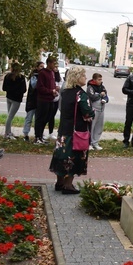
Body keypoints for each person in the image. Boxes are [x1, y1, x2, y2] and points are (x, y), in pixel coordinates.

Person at [49, 66, 93, 194]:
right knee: (73, 157)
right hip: (76, 132)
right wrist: (92, 114)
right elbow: (87, 114)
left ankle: (60, 183)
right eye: (83, 75)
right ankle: (68, 186)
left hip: (63, 130)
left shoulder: (65, 92)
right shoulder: (81, 94)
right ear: (77, 78)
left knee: (61, 156)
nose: (86, 78)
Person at [34, 56, 59, 145]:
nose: (54, 65)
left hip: (50, 99)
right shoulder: (42, 73)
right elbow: (40, 87)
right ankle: (37, 137)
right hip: (43, 100)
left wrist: (55, 89)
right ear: (49, 63)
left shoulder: (52, 73)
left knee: (47, 118)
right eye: (53, 63)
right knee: (40, 118)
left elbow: (51, 85)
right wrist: (50, 91)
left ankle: (41, 136)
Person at [2, 63, 27, 141]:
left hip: (9, 97)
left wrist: (10, 90)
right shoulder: (21, 78)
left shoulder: (7, 76)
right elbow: (24, 89)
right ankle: (7, 133)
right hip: (16, 99)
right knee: (10, 116)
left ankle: (8, 131)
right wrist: (17, 92)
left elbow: (4, 88)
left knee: (9, 115)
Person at [22, 62, 44, 142]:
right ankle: (25, 134)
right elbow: (34, 86)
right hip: (32, 100)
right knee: (29, 118)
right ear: (37, 67)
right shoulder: (34, 76)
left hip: (39, 100)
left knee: (38, 119)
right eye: (41, 66)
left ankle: (38, 134)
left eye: (43, 66)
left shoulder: (42, 76)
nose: (42, 68)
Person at [86, 73, 108, 150]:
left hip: (101, 109)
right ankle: (89, 143)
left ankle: (95, 142)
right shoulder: (90, 87)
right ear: (94, 80)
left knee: (99, 126)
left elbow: (106, 95)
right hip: (94, 109)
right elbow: (92, 97)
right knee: (91, 126)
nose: (100, 81)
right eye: (99, 79)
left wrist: (105, 99)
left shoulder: (102, 87)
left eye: (101, 79)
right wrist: (100, 95)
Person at [46, 65, 63, 141]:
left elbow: (61, 84)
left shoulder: (59, 77)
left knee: (52, 116)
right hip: (49, 99)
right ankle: (41, 133)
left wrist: (58, 87)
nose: (56, 68)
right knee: (46, 116)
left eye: (57, 67)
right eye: (54, 67)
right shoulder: (49, 75)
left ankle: (51, 133)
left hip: (56, 99)